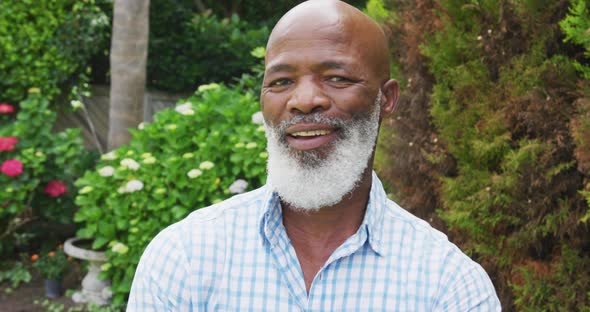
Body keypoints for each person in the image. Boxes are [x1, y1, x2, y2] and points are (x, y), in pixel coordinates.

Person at [127, 0, 501, 310]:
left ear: (386, 99)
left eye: (336, 78)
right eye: (281, 82)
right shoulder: (184, 259)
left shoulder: (449, 288)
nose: (304, 101)